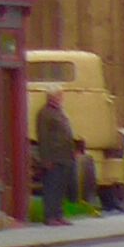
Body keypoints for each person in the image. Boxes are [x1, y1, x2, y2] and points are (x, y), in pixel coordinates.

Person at [35, 90, 77, 227]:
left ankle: (59, 214)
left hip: (65, 156)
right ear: (51, 97)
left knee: (61, 187)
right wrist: (46, 159)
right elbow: (43, 138)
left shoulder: (60, 112)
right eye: (59, 96)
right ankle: (50, 216)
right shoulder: (45, 113)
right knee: (51, 187)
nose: (61, 98)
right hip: (53, 157)